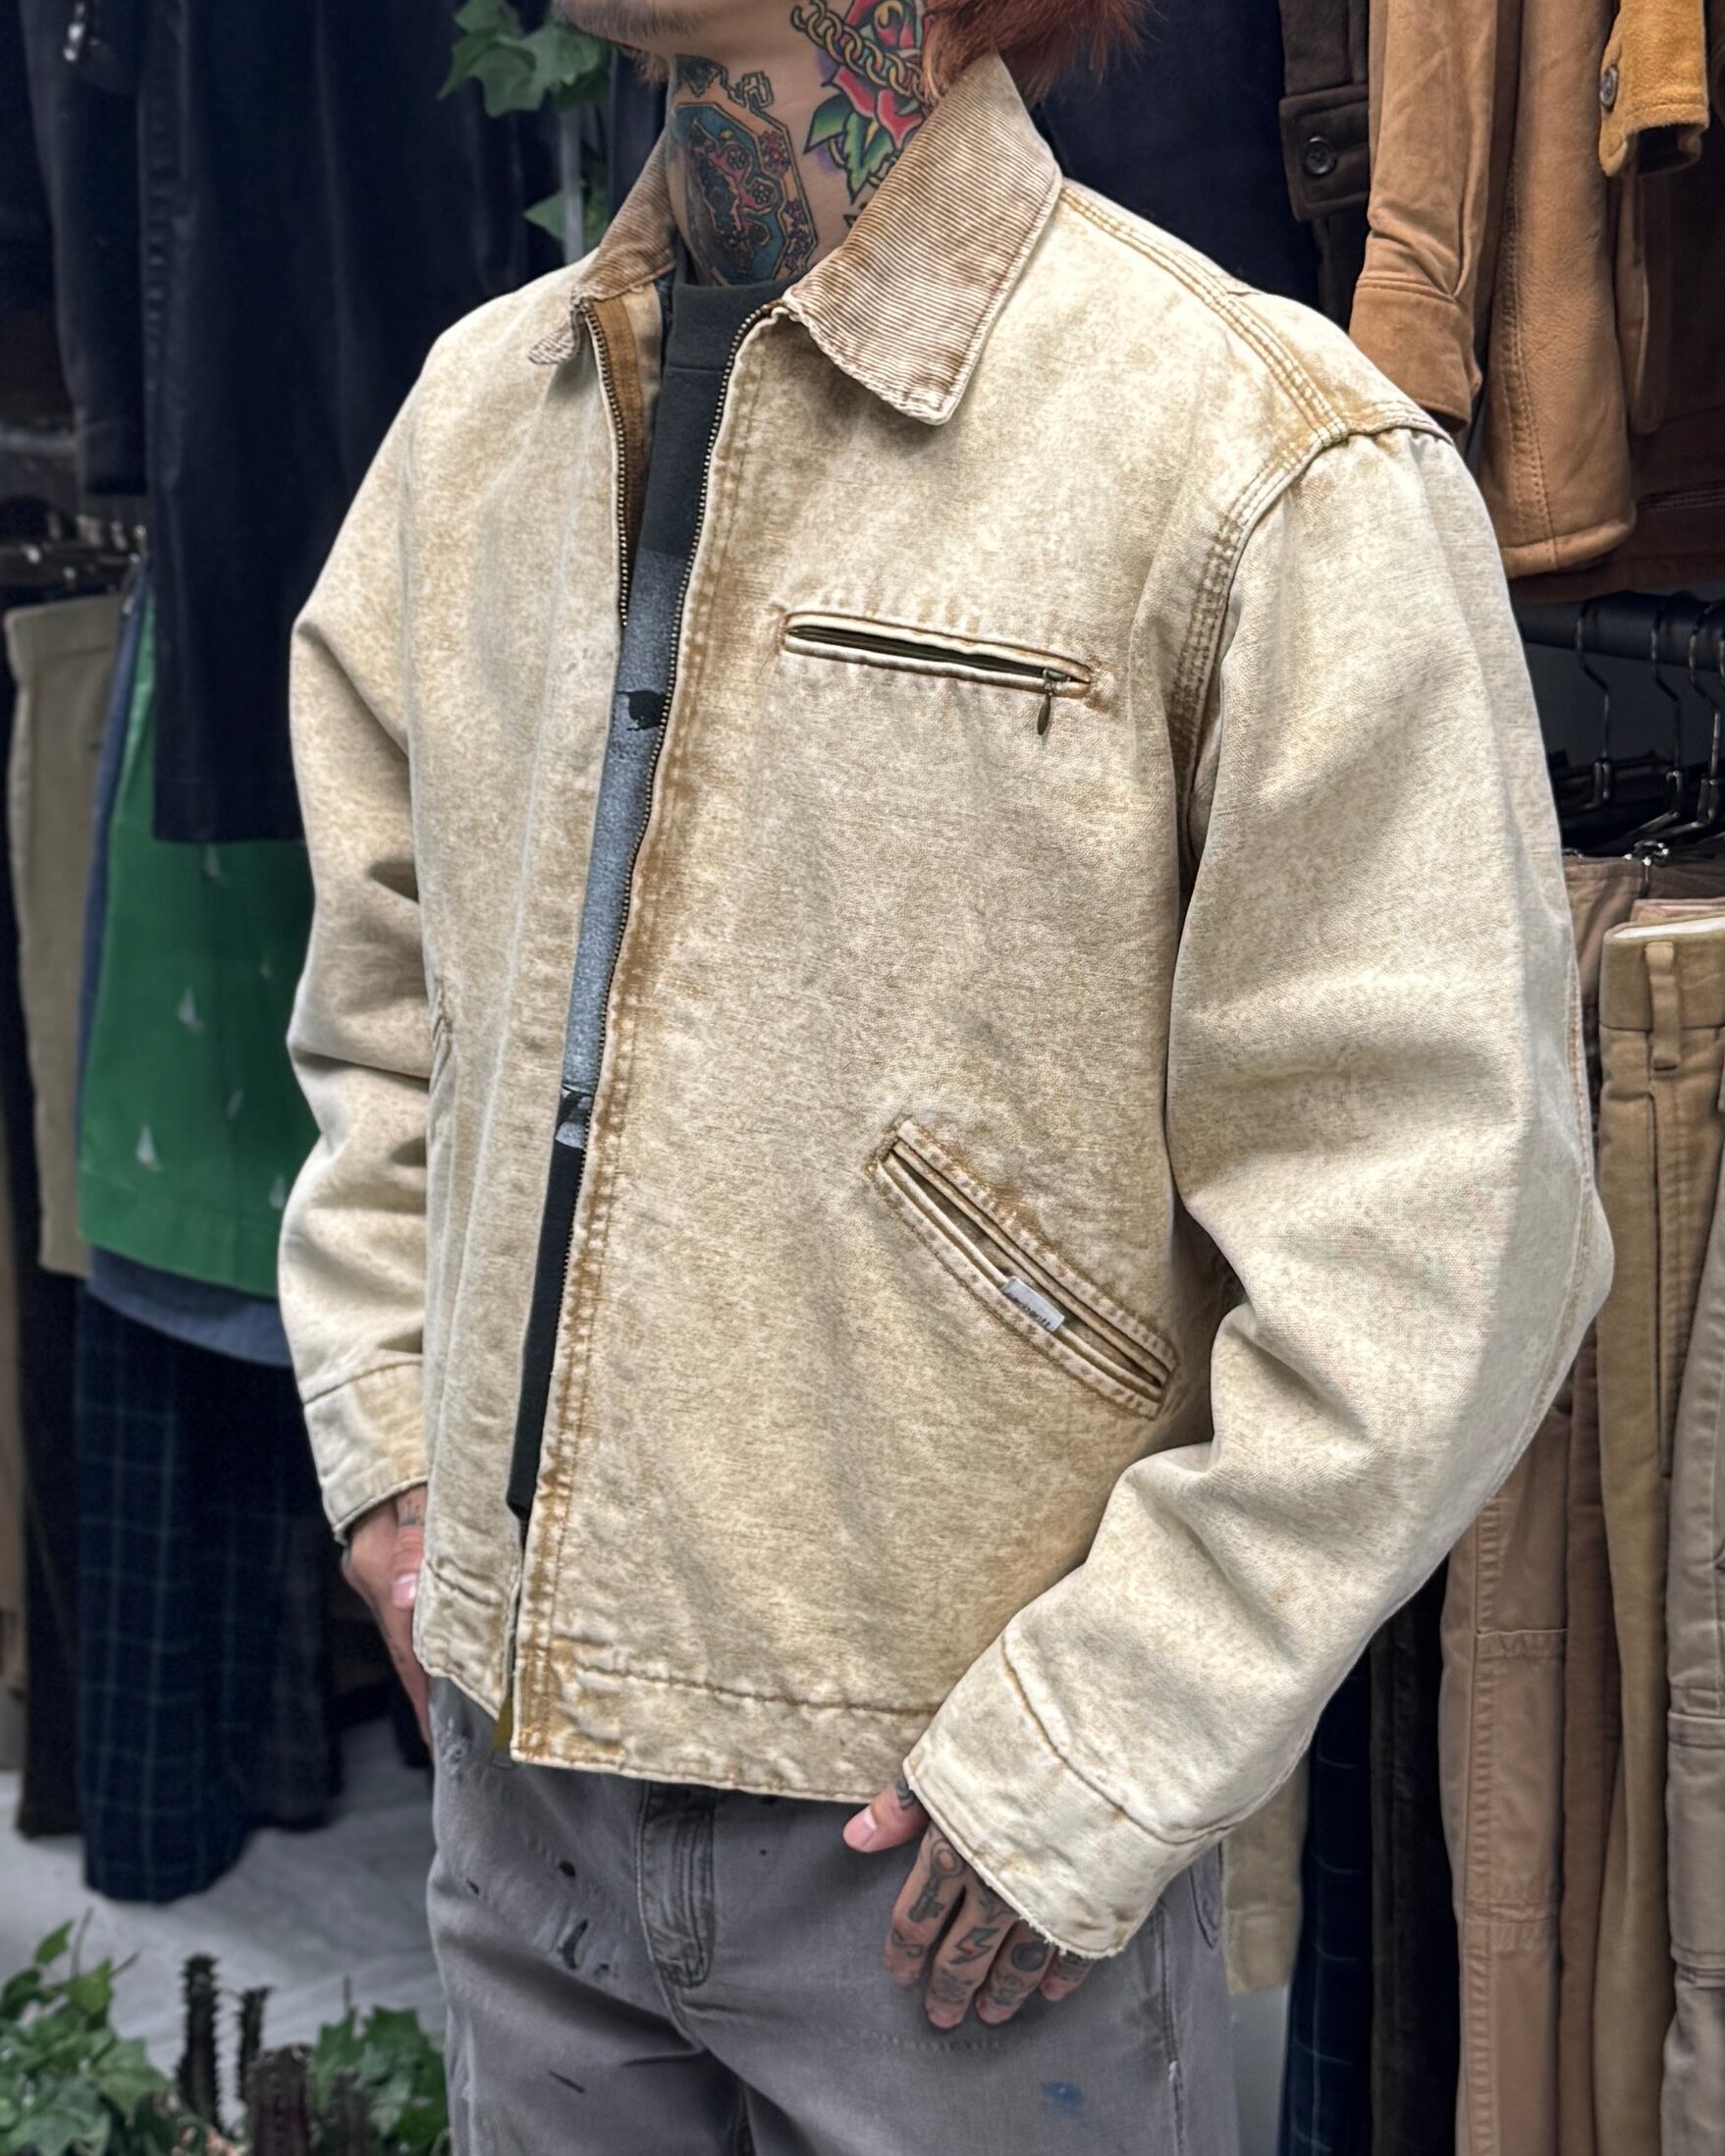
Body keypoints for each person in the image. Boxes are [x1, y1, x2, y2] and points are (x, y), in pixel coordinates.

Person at [278, 1, 1611, 2148]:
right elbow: (384, 1001)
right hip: (524, 1804)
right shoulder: (482, 422)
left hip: (933, 1850)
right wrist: (392, 1452)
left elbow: (1449, 1220)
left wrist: (1105, 1739)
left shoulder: (1247, 455)